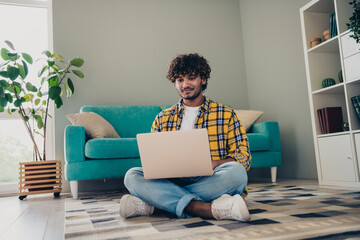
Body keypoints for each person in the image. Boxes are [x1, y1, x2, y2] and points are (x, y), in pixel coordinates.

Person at [119, 53, 251, 221]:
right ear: (175, 83)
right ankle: (205, 208)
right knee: (132, 176)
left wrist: (215, 163)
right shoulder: (162, 118)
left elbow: (244, 157)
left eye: (191, 78)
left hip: (210, 180)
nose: (185, 84)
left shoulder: (226, 114)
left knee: (237, 173)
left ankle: (156, 203)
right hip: (173, 182)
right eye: (180, 80)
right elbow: (152, 161)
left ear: (203, 79)